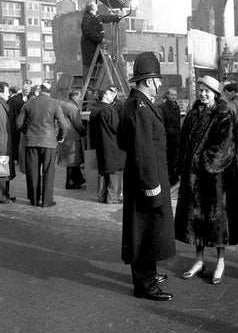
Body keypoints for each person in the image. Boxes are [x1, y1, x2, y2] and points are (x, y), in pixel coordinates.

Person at [175, 76, 238, 285]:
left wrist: (199, 162)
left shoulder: (223, 114)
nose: (203, 94)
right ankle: (198, 260)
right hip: (194, 177)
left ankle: (221, 262)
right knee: (196, 221)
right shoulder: (192, 114)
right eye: (201, 90)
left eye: (207, 91)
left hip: (216, 178)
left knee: (217, 223)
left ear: (215, 93)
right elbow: (183, 143)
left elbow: (225, 148)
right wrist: (182, 166)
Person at [117, 52, 176, 301]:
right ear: (150, 81)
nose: (160, 84)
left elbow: (123, 141)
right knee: (143, 232)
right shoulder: (141, 107)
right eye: (158, 80)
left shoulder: (134, 103)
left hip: (145, 177)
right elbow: (143, 150)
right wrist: (152, 185)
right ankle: (146, 286)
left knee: (148, 231)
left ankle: (148, 275)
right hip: (148, 180)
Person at [16, 83, 67, 207]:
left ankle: (33, 199)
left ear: (40, 90)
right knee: (49, 172)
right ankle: (47, 200)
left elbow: (18, 123)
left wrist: (26, 131)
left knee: (32, 171)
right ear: (50, 91)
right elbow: (63, 125)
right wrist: (60, 137)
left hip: (31, 141)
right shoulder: (55, 104)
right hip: (49, 142)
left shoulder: (28, 103)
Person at [90, 86, 125, 203]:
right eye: (111, 94)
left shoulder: (95, 110)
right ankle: (112, 198)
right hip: (112, 145)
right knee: (114, 172)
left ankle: (102, 196)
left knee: (103, 171)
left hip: (101, 145)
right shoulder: (109, 110)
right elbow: (117, 128)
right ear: (104, 95)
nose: (113, 96)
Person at [58, 89, 87, 190]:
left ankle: (78, 180)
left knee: (72, 160)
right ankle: (70, 182)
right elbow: (78, 123)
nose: (80, 98)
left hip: (66, 136)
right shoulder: (72, 107)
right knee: (72, 160)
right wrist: (84, 131)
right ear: (74, 96)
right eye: (79, 96)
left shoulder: (63, 104)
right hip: (72, 136)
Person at [157, 88, 181, 187]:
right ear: (167, 95)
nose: (174, 97)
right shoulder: (162, 107)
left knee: (175, 157)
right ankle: (169, 178)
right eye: (172, 95)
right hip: (168, 136)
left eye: (175, 95)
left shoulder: (177, 106)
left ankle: (174, 177)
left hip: (176, 136)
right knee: (168, 158)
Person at [81, 0, 105, 83]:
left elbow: (103, 18)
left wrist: (116, 18)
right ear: (92, 8)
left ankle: (90, 87)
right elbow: (88, 31)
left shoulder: (94, 16)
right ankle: (86, 89)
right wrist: (99, 38)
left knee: (94, 67)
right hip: (89, 48)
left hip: (94, 47)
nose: (97, 6)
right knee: (88, 69)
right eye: (95, 5)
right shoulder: (87, 18)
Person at [7, 84, 31, 163]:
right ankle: (16, 157)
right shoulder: (15, 99)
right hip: (17, 124)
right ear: (23, 90)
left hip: (25, 124)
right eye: (26, 91)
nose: (27, 93)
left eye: (28, 91)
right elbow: (12, 113)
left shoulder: (30, 98)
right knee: (16, 142)